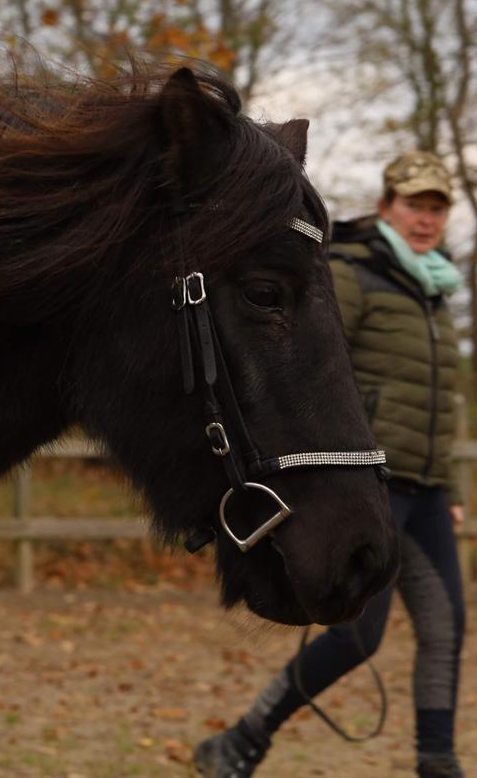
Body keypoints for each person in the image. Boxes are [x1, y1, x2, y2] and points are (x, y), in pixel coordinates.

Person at [193, 150, 467, 778]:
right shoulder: (352, 273)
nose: (426, 219)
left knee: (447, 627)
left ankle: (438, 762)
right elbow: (314, 375)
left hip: (425, 491)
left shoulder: (436, 286)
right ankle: (244, 739)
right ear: (387, 206)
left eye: (437, 208)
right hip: (365, 483)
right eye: (414, 205)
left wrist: (448, 484)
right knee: (356, 636)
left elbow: (435, 401)